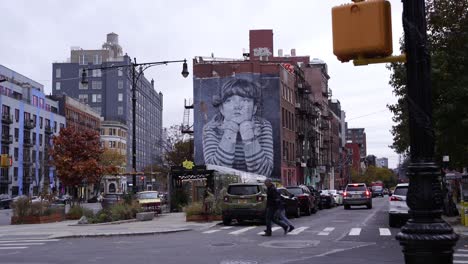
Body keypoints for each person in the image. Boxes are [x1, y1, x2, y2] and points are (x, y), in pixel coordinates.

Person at [203, 78, 273, 176]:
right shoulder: (211, 128)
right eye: (229, 100)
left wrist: (248, 136)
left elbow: (263, 173)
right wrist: (230, 131)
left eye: (245, 100)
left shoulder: (263, 126)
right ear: (222, 109)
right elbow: (215, 172)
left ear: (254, 109)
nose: (237, 106)